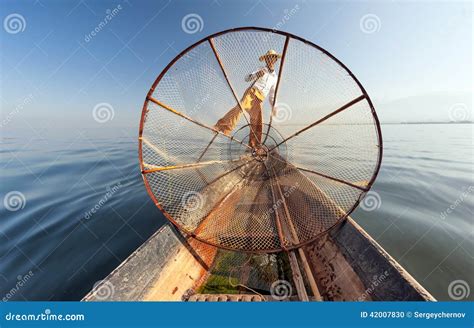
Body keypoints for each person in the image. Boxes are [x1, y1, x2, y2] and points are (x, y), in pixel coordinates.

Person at [214, 49, 281, 148]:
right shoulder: (260, 68)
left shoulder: (275, 77)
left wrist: (274, 107)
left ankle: (254, 146)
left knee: (257, 122)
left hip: (260, 98)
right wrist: (256, 75)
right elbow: (246, 78)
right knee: (240, 108)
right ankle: (220, 127)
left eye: (272, 57)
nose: (269, 60)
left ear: (275, 60)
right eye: (267, 58)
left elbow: (272, 95)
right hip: (252, 92)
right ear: (265, 60)